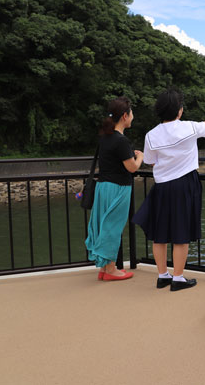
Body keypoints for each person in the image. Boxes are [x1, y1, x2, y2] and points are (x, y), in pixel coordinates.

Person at [132, 88, 205, 291]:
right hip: (185, 184)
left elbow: (149, 161)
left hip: (162, 186)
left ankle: (162, 276)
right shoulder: (189, 128)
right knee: (181, 232)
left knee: (160, 233)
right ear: (180, 111)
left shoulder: (151, 135)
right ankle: (178, 278)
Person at [85, 97, 144, 281]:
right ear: (125, 116)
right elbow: (132, 168)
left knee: (104, 224)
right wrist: (140, 156)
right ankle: (111, 270)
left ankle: (104, 267)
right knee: (113, 227)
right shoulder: (121, 141)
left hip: (103, 187)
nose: (133, 117)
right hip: (118, 189)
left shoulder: (105, 137)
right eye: (132, 113)